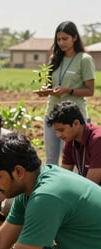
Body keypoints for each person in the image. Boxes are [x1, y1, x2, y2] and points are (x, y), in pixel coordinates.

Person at [44, 21, 95, 165]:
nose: (61, 42)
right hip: (52, 113)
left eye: (65, 39)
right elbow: (50, 83)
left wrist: (68, 90)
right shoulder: (54, 59)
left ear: (75, 38)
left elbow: (90, 91)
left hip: (73, 117)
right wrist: (45, 89)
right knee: (50, 160)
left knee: (71, 160)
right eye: (58, 39)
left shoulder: (84, 59)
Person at [46, 100, 101, 184]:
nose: (58, 135)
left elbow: (91, 186)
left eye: (61, 130)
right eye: (56, 131)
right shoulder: (70, 141)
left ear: (76, 123)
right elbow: (64, 177)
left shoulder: (98, 140)